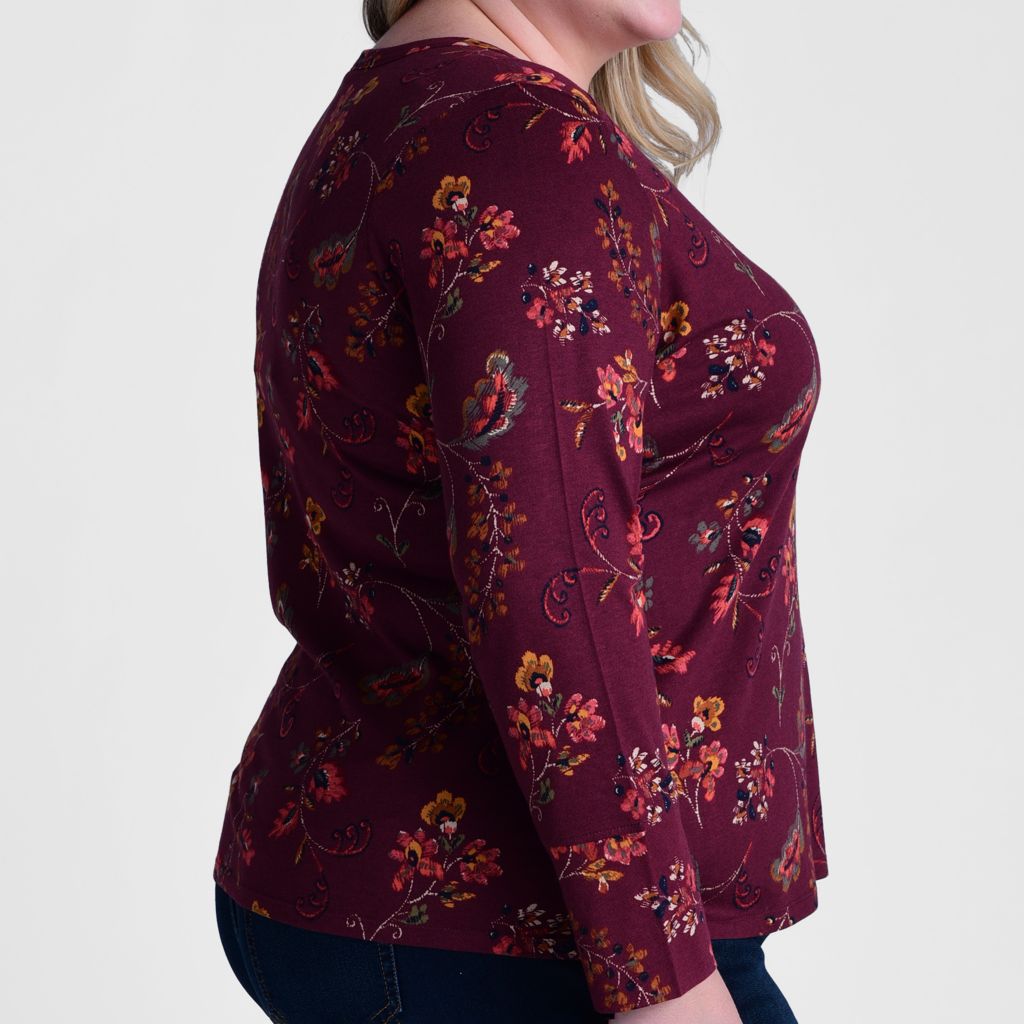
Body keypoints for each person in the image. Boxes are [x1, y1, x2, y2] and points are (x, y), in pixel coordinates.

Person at [211, 1, 829, 1021]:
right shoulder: (520, 148)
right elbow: (553, 586)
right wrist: (663, 987)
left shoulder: (413, 106)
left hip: (420, 897)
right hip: (533, 935)